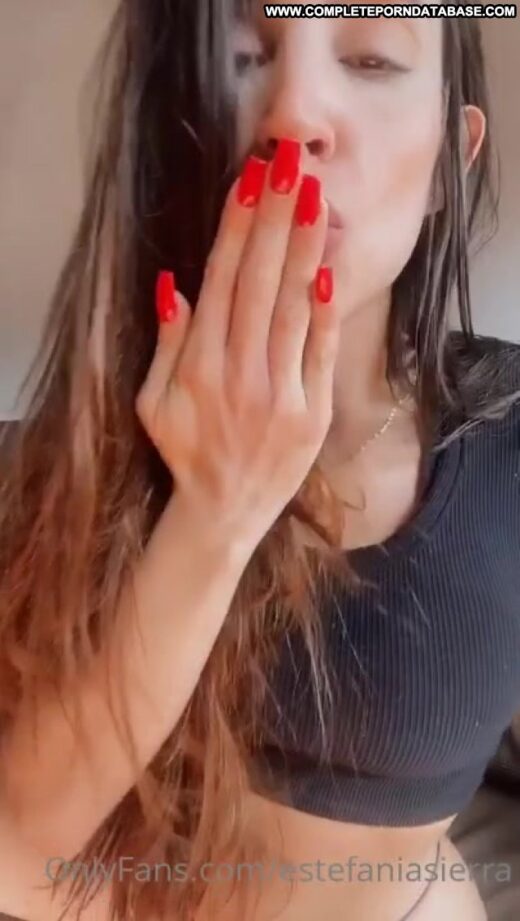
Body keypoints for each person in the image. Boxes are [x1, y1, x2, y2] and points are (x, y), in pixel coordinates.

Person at [0, 2, 519, 920]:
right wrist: (214, 513)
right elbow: (18, 858)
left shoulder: (505, 435)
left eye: (370, 59)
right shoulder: (56, 461)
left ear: (452, 156)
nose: (295, 112)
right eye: (244, 56)